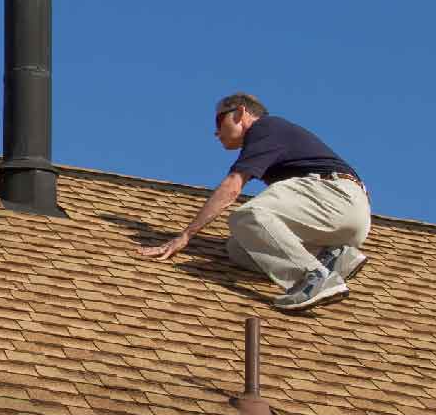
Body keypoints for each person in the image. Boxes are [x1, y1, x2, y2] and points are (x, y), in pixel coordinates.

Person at [137, 93, 371, 312]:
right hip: (343, 215)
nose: (216, 133)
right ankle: (332, 258)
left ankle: (315, 277)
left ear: (240, 112)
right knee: (239, 249)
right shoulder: (271, 139)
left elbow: (232, 186)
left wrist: (185, 235)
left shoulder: (266, 127)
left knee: (248, 216)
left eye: (219, 122)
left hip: (333, 196)